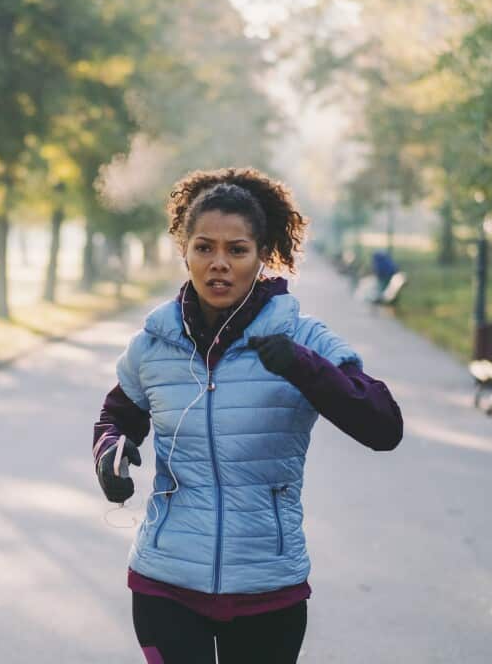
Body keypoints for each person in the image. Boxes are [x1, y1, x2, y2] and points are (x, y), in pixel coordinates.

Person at [91, 168, 403, 664]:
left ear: (262, 255)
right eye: (204, 248)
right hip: (165, 580)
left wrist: (302, 367)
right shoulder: (153, 344)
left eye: (237, 250)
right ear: (184, 251)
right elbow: (116, 416)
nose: (219, 264)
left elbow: (384, 426)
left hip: (267, 586)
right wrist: (110, 453)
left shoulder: (304, 339)